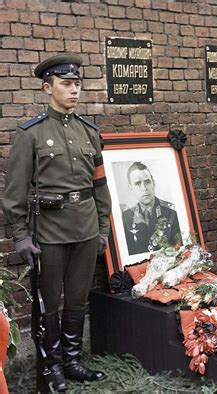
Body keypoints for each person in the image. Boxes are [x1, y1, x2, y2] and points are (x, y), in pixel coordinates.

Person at [3, 53, 111, 391]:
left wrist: (103, 228)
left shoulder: (89, 131)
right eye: (67, 84)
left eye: (77, 84)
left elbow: (100, 185)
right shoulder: (31, 133)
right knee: (49, 302)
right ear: (47, 88)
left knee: (77, 298)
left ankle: (72, 361)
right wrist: (21, 236)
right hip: (48, 231)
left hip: (86, 227)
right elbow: (14, 191)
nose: (74, 90)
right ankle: (51, 368)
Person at [122, 161, 182, 255]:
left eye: (147, 182)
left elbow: (180, 249)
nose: (144, 188)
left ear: (153, 183)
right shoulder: (126, 217)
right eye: (138, 183)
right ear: (131, 188)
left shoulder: (172, 213)